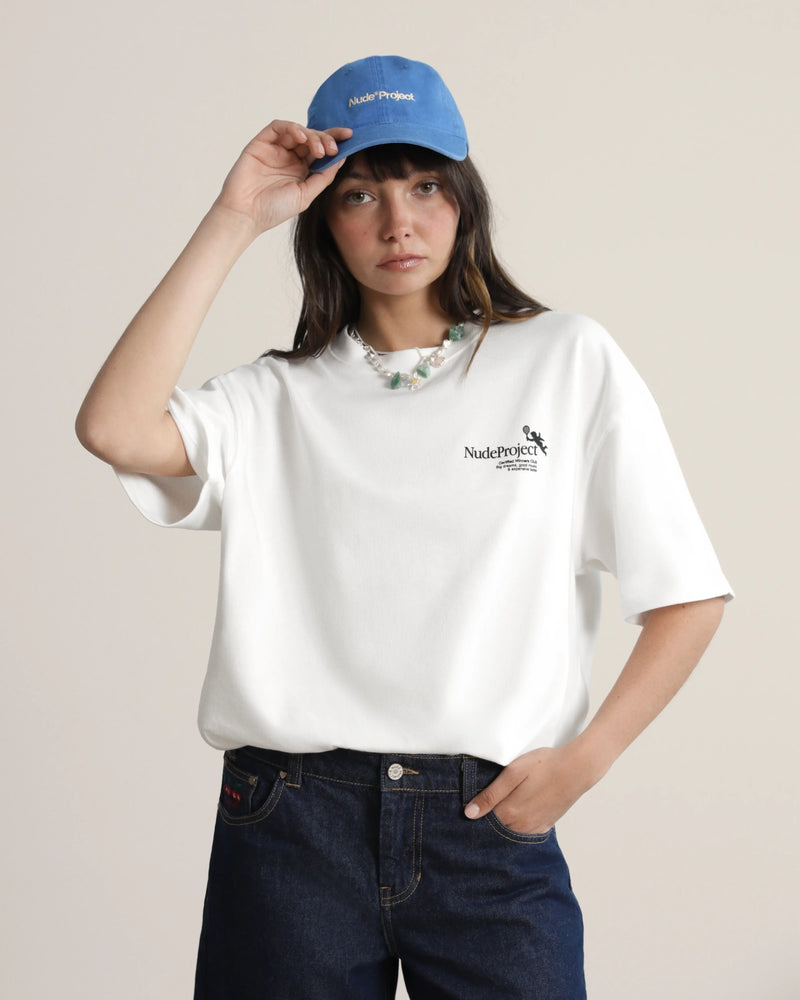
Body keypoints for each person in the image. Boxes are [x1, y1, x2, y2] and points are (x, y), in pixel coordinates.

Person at [75, 55, 732, 1000]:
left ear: (464, 200)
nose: (398, 223)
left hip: (486, 825)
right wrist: (234, 218)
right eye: (360, 195)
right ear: (320, 218)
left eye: (426, 186)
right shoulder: (273, 398)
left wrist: (585, 762)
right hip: (291, 824)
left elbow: (689, 596)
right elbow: (113, 428)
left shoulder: (564, 360)